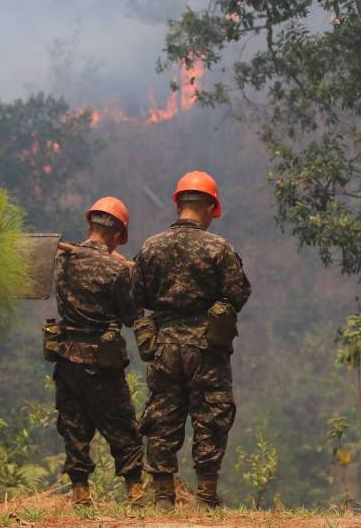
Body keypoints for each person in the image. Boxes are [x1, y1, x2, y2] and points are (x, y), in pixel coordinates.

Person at [133, 171, 251, 510]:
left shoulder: (150, 247)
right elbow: (239, 293)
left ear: (179, 203)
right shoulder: (219, 248)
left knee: (162, 416)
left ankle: (163, 498)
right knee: (210, 415)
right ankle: (205, 497)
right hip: (206, 347)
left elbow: (135, 296)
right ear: (212, 207)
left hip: (164, 345)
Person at [48, 196, 144, 508]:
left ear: (90, 225)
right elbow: (130, 315)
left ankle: (81, 492)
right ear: (118, 235)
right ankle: (135, 492)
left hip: (66, 358)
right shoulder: (117, 272)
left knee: (74, 425)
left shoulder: (63, 259)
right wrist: (129, 276)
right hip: (102, 363)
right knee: (121, 424)